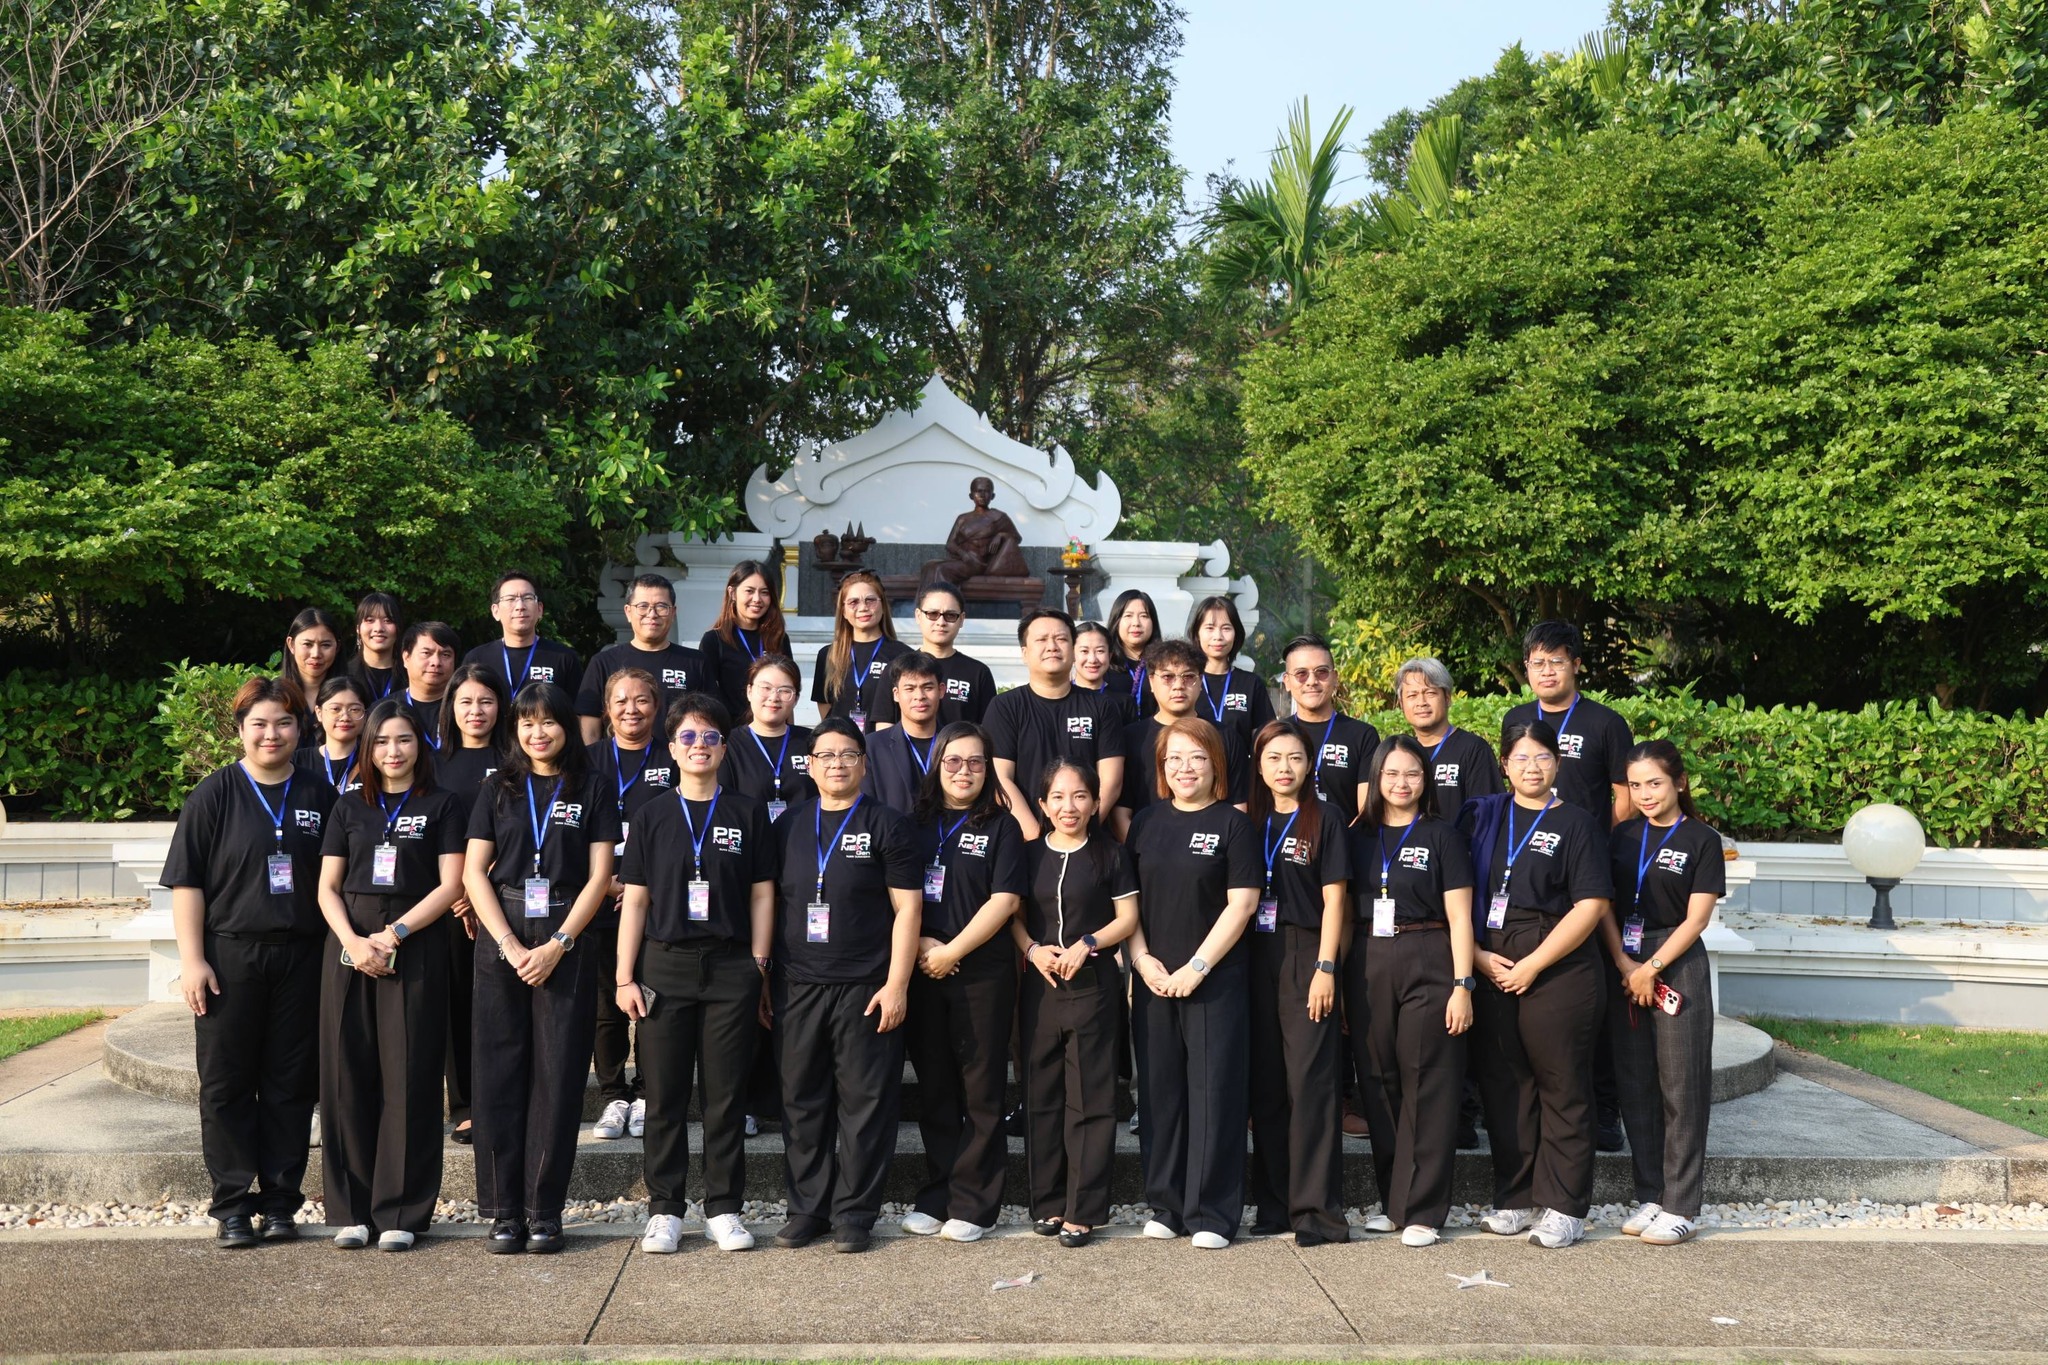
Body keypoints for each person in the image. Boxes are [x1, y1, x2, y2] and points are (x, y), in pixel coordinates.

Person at [163, 676, 338, 1247]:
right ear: (240, 729)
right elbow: (187, 884)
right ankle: (233, 1205)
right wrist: (193, 960)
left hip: (303, 957)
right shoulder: (213, 794)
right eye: (259, 723)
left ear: (300, 729)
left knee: (291, 1084)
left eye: (284, 723)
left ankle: (282, 1201)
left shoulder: (319, 794)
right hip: (230, 956)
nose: (272, 734)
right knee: (227, 1084)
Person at [616, 693, 777, 1255]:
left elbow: (763, 893)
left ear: (724, 748)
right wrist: (624, 977)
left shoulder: (747, 812)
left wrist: (759, 963)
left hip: (732, 966)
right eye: (688, 736)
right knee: (663, 1096)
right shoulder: (652, 814)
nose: (699, 745)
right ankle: (665, 1209)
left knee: (725, 1097)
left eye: (710, 736)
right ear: (672, 748)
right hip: (665, 965)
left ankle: (723, 1208)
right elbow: (636, 901)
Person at [462, 682, 618, 1255]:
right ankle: (504, 1211)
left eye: (548, 721)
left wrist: (558, 943)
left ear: (566, 728)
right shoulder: (496, 788)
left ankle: (544, 1210)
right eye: (526, 723)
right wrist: (506, 943)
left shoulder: (592, 787)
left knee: (558, 1073)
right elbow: (474, 872)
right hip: (502, 932)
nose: (537, 732)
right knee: (498, 1071)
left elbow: (600, 876)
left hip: (565, 931)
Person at [314, 699, 464, 1251]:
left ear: (420, 745)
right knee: (346, 1075)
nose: (393, 751)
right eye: (381, 741)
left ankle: (401, 1210)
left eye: (404, 739)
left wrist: (394, 934)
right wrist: (354, 943)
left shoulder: (443, 805)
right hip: (349, 946)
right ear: (367, 748)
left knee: (410, 1076)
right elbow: (327, 888)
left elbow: (451, 885)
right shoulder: (348, 807)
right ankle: (351, 1209)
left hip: (415, 944)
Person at [768, 719, 923, 1254]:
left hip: (865, 986)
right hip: (797, 984)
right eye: (826, 755)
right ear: (809, 765)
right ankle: (807, 1209)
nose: (837, 764)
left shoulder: (888, 824)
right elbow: (773, 902)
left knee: (865, 1104)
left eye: (848, 755)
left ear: (864, 763)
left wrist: (898, 983)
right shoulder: (788, 824)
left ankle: (855, 1212)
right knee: (801, 1101)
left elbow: (908, 910)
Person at [1461, 720, 1615, 1250]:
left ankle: (1565, 1206)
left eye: (1542, 757)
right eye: (1521, 758)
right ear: (1504, 764)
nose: (1532, 767)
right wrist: (1477, 956)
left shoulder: (1577, 823)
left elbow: (1591, 905)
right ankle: (1517, 1197)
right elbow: (1456, 891)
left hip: (1557, 963)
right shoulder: (1484, 815)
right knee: (1506, 1086)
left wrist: (1533, 965)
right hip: (1491, 957)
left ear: (1558, 763)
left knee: (1561, 1084)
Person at [1124, 717, 1261, 1249]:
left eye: (1197, 758)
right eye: (1174, 758)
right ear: (1162, 767)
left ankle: (1212, 1213)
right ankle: (1167, 1205)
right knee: (1160, 1094)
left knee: (1214, 1094)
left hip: (1214, 980)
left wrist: (1197, 967)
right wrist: (1142, 962)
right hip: (1154, 979)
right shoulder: (1145, 823)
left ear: (1215, 765)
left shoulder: (1234, 824)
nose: (1185, 768)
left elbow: (1241, 905)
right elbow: (1127, 905)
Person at [1501, 621, 1634, 1153]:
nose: (1547, 671)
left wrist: (1595, 847)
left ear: (1576, 665)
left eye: (1556, 661)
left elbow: (1623, 796)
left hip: (1586, 871)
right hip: (1531, 874)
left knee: (1592, 992)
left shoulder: (1605, 722)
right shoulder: (1517, 720)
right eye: (1537, 663)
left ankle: (1604, 1107)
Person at [1346, 735, 1477, 1247]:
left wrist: (1462, 984)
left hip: (1428, 954)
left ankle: (1423, 1210)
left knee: (1426, 1080)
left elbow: (1460, 917)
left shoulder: (1443, 836)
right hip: (1367, 957)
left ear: (1427, 779)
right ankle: (1393, 1203)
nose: (1402, 783)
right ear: (1376, 777)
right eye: (1392, 773)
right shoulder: (1357, 836)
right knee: (1377, 1080)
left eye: (1413, 774)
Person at [899, 723, 1027, 1243]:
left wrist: (952, 950)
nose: (964, 771)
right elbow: (894, 894)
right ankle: (939, 1194)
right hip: (923, 970)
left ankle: (975, 1204)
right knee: (936, 1088)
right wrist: (925, 946)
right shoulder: (913, 822)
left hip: (981, 974)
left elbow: (1006, 900)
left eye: (976, 762)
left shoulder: (1003, 826)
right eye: (953, 761)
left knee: (980, 1090)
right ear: (937, 765)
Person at [1604, 740, 1726, 1248]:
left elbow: (1697, 919)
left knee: (1682, 1087)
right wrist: (1624, 964)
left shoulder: (1702, 839)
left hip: (1676, 962)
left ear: (1679, 781)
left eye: (1654, 783)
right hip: (1625, 960)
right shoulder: (1622, 835)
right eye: (1635, 786)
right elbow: (1603, 903)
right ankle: (1650, 1194)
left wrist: (1651, 969)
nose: (1645, 794)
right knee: (1636, 1085)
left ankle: (1681, 1205)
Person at [1013, 760, 1138, 1247]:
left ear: (1096, 802)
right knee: (1041, 1097)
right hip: (1039, 989)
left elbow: (1127, 917)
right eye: (1059, 797)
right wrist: (1031, 949)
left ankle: (1083, 1210)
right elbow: (1013, 915)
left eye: (1081, 796)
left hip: (1093, 987)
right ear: (1042, 805)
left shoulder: (1111, 854)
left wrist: (1089, 942)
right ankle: (1047, 1202)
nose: (1070, 806)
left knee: (1090, 1099)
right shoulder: (1027, 855)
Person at [1243, 721, 1350, 1245]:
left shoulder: (1325, 818)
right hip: (1252, 955)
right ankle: (1274, 1205)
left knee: (1310, 1085)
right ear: (1259, 765)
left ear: (1310, 766)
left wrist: (1326, 968)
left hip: (1306, 952)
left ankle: (1316, 1212)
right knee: (1266, 1086)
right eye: (1273, 758)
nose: (1284, 768)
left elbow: (1335, 901)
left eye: (1295, 758)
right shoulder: (1247, 819)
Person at [585, 668, 679, 1142]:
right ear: (607, 709)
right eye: (620, 700)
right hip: (598, 900)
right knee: (607, 1004)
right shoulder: (587, 760)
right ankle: (612, 1095)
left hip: (656, 901)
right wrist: (609, 886)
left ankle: (645, 1095)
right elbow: (573, 833)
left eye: (641, 700)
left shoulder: (672, 756)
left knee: (651, 1000)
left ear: (656, 707)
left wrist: (643, 889)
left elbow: (685, 829)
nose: (631, 709)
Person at [433, 663, 512, 1146]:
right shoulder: (434, 762)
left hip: (503, 898)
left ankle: (502, 1100)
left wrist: (481, 885)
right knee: (457, 1003)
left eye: (485, 700)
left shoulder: (516, 759)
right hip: (449, 904)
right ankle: (464, 1105)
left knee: (499, 1007)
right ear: (451, 707)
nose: (476, 710)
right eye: (465, 701)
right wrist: (459, 892)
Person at [984, 608, 1125, 839]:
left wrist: (1077, 834)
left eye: (1061, 639)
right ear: (1025, 653)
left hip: (1087, 839)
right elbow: (1000, 779)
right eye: (1041, 639)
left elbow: (1111, 782)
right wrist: (1037, 837)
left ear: (1073, 650)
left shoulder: (1102, 707)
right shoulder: (1005, 707)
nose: (1052, 646)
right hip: (1024, 840)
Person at [577, 573, 710, 743]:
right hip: (618, 759)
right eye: (643, 606)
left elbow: (710, 720)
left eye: (661, 606)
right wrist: (593, 758)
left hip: (679, 758)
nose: (652, 614)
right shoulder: (603, 663)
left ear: (673, 612)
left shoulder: (696, 662)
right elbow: (590, 730)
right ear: (628, 612)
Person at [1110, 639, 1214, 838]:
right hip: (1144, 846)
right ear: (1151, 681)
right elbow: (1120, 812)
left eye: (1188, 677)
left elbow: (1235, 805)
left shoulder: (1222, 736)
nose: (1178, 686)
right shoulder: (1131, 737)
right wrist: (1140, 851)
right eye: (1167, 677)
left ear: (1200, 681)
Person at [1278, 634, 1380, 822]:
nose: (1311, 681)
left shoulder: (1362, 735)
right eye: (1301, 674)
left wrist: (1338, 838)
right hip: (1284, 838)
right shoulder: (1275, 735)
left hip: (1345, 837)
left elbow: (1366, 811)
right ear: (1287, 682)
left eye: (1321, 672)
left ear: (1335, 678)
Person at [869, 581, 996, 727]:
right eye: (932, 614)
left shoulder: (978, 673)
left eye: (950, 615)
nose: (941, 622)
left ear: (961, 619)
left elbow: (988, 731)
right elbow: (884, 730)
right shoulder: (895, 669)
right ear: (918, 616)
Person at [1186, 594, 1274, 803]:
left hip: (1240, 787)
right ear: (1197, 633)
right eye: (1209, 628)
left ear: (1236, 634)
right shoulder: (1185, 682)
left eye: (1226, 628)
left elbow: (1266, 740)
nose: (1218, 636)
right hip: (1192, 784)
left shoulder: (1250, 684)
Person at [1395, 657, 1501, 822]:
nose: (1421, 702)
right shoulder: (1401, 754)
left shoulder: (1473, 749)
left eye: (1430, 693)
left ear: (1447, 698)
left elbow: (1488, 816)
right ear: (1401, 703)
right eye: (1412, 695)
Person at [719, 655, 816, 823]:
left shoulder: (812, 742)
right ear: (749, 692)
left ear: (796, 699)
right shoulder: (728, 744)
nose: (774, 697)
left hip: (805, 836)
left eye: (784, 690)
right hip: (751, 835)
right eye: (765, 688)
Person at [811, 570, 908, 730]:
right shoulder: (828, 655)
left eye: (870, 600)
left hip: (884, 742)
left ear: (883, 606)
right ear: (843, 611)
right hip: (840, 742)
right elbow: (825, 707)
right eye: (853, 602)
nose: (863, 608)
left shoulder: (902, 655)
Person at [697, 560, 791, 722]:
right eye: (749, 591)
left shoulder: (779, 638)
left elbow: (788, 690)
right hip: (732, 731)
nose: (757, 599)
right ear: (732, 593)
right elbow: (706, 697)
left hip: (774, 729)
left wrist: (790, 730)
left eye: (764, 592)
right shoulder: (714, 640)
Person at [462, 572, 582, 696]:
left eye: (528, 598)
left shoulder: (564, 658)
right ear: (496, 611)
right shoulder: (477, 659)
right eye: (510, 599)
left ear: (539, 609)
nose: (520, 606)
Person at [863, 653, 943, 812]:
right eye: (910, 689)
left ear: (941, 690)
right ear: (896, 694)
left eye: (928, 688)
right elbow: (866, 807)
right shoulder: (872, 747)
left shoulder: (956, 744)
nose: (919, 696)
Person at [928, 475, 1030, 582]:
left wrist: (1001, 535)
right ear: (971, 495)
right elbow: (950, 543)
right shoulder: (962, 518)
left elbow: (1017, 538)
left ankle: (942, 593)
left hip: (978, 563)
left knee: (940, 569)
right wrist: (963, 554)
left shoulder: (998, 517)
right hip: (962, 559)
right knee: (929, 566)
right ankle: (928, 594)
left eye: (986, 491)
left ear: (992, 496)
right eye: (978, 491)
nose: (982, 495)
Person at [294, 677, 368, 797]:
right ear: (319, 713)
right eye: (335, 709)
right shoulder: (298, 761)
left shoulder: (374, 760)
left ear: (365, 714)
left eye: (354, 709)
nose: (345, 717)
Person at [282, 608, 342, 745]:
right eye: (307, 644)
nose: (316, 654)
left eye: (325, 645)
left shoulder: (350, 696)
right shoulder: (276, 696)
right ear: (291, 644)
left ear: (337, 647)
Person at [399, 622, 460, 747]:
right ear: (406, 658)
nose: (436, 662)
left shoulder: (466, 709)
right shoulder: (384, 708)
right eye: (426, 653)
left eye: (445, 655)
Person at [1106, 589, 1161, 718]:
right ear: (1116, 621)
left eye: (1144, 616)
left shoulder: (1163, 663)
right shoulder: (1103, 663)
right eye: (1128, 616)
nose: (1136, 623)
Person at [1072, 621, 1136, 728]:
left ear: (1109, 656)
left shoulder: (1124, 702)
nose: (1092, 659)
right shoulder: (1059, 697)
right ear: (1072, 654)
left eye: (1100, 651)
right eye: (1084, 651)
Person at [345, 592, 404, 703]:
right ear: (358, 628)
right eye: (370, 620)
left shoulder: (411, 675)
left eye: (387, 621)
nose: (378, 628)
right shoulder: (343, 674)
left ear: (398, 628)